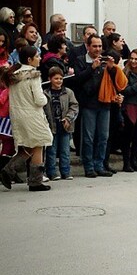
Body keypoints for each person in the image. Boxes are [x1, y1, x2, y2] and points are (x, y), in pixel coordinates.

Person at [0, 45, 54, 191]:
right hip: (32, 115)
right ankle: (34, 181)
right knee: (39, 142)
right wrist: (45, 97)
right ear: (29, 59)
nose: (40, 58)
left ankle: (9, 170)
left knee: (30, 145)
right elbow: (39, 100)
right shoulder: (33, 75)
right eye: (37, 56)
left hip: (18, 115)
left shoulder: (13, 74)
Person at [71, 34, 118, 178]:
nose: (98, 49)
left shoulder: (105, 61)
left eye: (100, 46)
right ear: (88, 46)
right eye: (94, 46)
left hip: (105, 103)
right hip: (88, 104)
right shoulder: (80, 61)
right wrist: (92, 68)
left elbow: (116, 81)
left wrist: (111, 68)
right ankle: (89, 167)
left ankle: (100, 165)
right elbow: (78, 81)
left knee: (103, 136)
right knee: (88, 138)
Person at [43, 67, 79, 181]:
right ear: (50, 79)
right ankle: (52, 172)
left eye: (61, 78)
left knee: (65, 150)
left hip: (65, 125)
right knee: (51, 151)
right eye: (56, 78)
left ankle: (66, 172)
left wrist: (68, 118)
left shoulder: (68, 92)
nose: (59, 81)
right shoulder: (45, 93)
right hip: (51, 126)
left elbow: (74, 106)